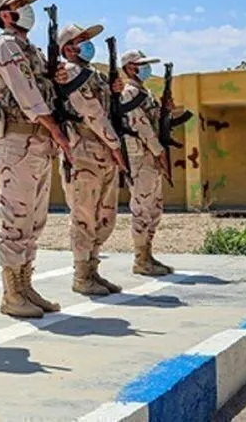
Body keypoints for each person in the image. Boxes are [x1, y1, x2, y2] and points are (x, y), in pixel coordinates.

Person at [0, 0, 71, 317]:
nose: (26, 9)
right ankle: (12, 294)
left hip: (38, 142)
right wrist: (57, 131)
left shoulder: (30, 50)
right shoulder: (5, 45)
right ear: (5, 15)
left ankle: (25, 286)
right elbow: (27, 95)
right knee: (16, 219)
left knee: (34, 221)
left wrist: (56, 77)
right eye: (19, 5)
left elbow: (44, 90)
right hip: (18, 141)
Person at [54, 23, 128, 296]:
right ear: (67, 49)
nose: (87, 43)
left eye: (87, 38)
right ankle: (82, 275)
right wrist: (116, 146)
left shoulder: (94, 74)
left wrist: (116, 90)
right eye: (81, 39)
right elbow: (91, 112)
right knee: (84, 215)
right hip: (83, 151)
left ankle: (93, 269)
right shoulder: (70, 73)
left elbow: (109, 110)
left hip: (103, 151)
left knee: (104, 215)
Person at [115, 50, 176, 276]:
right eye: (141, 65)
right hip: (140, 156)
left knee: (154, 207)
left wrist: (167, 110)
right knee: (142, 207)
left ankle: (148, 254)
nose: (146, 69)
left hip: (151, 154)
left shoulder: (145, 92)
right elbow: (141, 125)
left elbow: (156, 121)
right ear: (130, 68)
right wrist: (160, 152)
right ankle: (140, 259)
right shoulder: (129, 92)